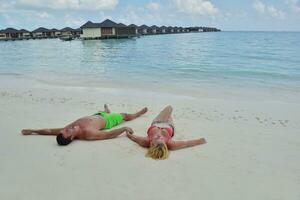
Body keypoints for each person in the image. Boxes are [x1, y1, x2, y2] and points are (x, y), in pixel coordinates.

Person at [22, 104, 147, 146]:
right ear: (71, 138)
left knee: (102, 112)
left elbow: (49, 131)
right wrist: (123, 128)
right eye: (66, 132)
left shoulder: (68, 130)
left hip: (95, 115)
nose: (65, 129)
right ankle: (138, 114)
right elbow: (107, 135)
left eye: (63, 130)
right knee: (125, 115)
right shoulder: (87, 134)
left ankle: (106, 110)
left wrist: (33, 131)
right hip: (108, 120)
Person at [126, 105, 206, 160]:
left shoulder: (145, 141)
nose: (159, 136)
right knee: (170, 109)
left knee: (169, 108)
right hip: (169, 125)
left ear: (152, 144)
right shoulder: (171, 144)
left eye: (157, 138)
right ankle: (169, 116)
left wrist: (128, 133)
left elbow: (133, 137)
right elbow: (187, 143)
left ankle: (167, 115)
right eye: (161, 139)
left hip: (157, 122)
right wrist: (200, 141)